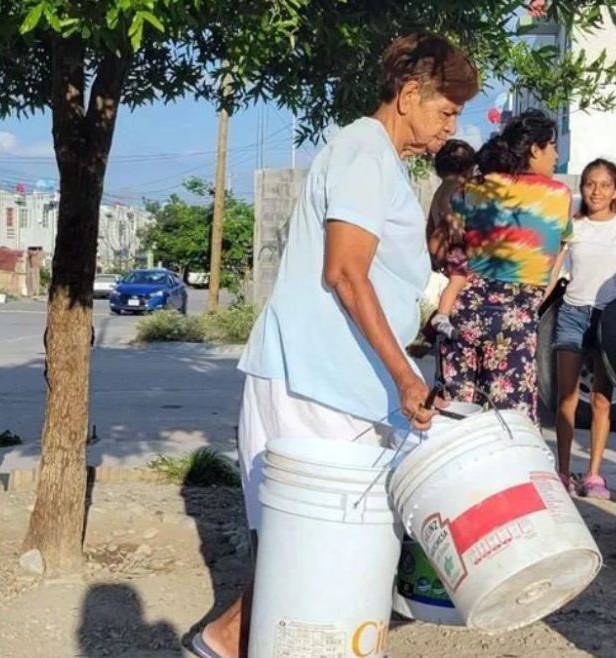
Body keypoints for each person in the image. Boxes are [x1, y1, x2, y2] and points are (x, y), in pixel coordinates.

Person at [191, 33, 478, 658]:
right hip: (309, 378)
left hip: (340, 380)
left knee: (321, 544)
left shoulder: (382, 161)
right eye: (446, 112)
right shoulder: (362, 151)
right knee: (307, 540)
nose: (451, 127)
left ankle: (228, 641)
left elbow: (376, 275)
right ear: (408, 96)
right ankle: (227, 640)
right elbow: (344, 272)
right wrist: (406, 376)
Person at [437, 109, 572, 422]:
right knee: (507, 423)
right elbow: (555, 260)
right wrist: (531, 305)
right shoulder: (558, 195)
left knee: (454, 420)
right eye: (552, 146)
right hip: (515, 318)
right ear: (534, 149)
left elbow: (451, 257)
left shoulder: (470, 190)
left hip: (462, 312)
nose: (556, 155)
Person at [551, 158, 616, 498]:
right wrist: (532, 305)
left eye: (605, 185)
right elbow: (554, 271)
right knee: (565, 398)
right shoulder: (573, 226)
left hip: (611, 320)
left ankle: (593, 475)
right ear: (582, 188)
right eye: (590, 184)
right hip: (573, 314)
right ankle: (562, 473)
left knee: (601, 400)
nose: (597, 191)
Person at [425, 139, 477, 339]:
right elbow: (447, 204)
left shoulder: (440, 187)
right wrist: (453, 222)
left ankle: (438, 320)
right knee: (459, 280)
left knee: (456, 283)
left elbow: (430, 222)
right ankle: (441, 316)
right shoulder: (454, 184)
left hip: (443, 246)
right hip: (454, 245)